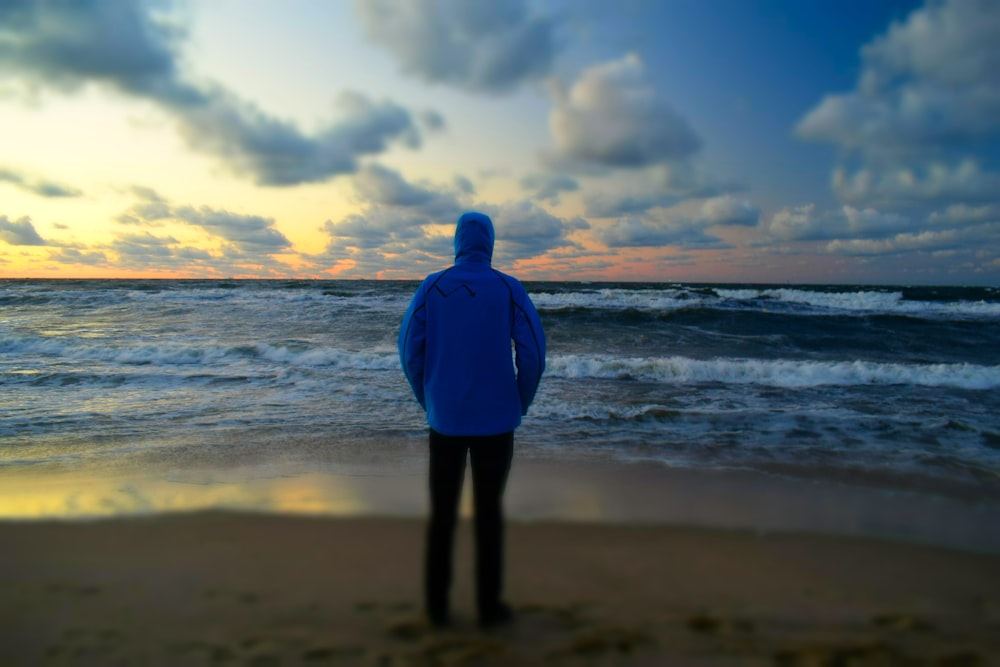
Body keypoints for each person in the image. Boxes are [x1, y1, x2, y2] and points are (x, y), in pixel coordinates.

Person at [398, 211, 546, 629]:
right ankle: (488, 608)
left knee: (442, 514)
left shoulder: (433, 286)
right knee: (488, 514)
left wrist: (428, 400)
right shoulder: (508, 287)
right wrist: (520, 402)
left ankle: (438, 608)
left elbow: (409, 349)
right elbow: (533, 353)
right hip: (497, 423)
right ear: (490, 243)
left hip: (444, 421)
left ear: (458, 242)